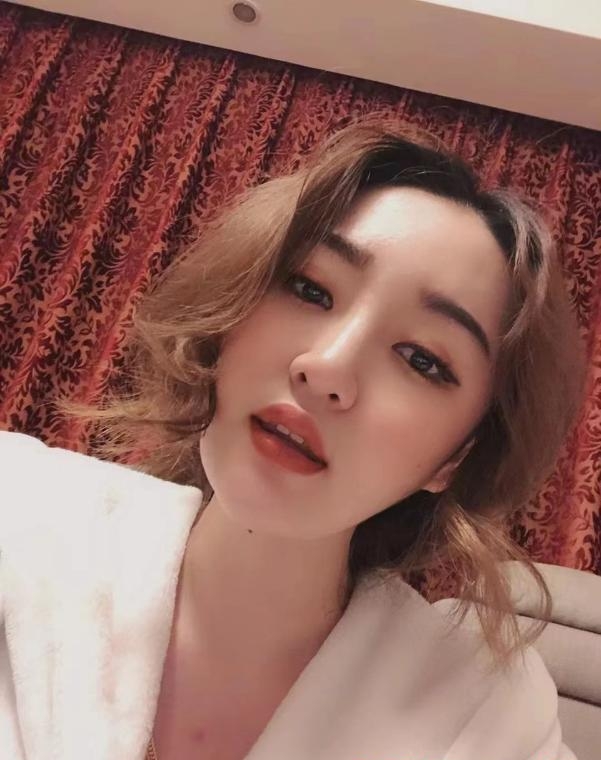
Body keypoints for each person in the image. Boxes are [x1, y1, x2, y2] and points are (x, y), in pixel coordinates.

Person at [0, 118, 586, 760]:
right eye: (310, 289)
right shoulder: (21, 509)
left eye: (422, 359)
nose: (327, 368)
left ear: (455, 457)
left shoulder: (486, 713)